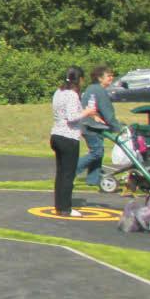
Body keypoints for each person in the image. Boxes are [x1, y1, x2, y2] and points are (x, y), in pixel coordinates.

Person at [51, 66, 99, 217]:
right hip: (68, 136)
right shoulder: (72, 95)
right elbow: (72, 117)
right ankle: (66, 208)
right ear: (80, 79)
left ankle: (59, 205)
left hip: (56, 134)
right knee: (68, 174)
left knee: (61, 173)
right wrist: (88, 112)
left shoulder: (58, 92)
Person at [76, 65, 121, 188]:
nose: (111, 78)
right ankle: (71, 170)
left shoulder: (92, 89)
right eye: (108, 76)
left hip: (89, 124)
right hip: (91, 126)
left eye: (112, 75)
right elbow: (107, 112)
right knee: (97, 152)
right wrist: (118, 128)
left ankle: (93, 179)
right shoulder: (99, 91)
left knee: (98, 152)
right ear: (100, 78)